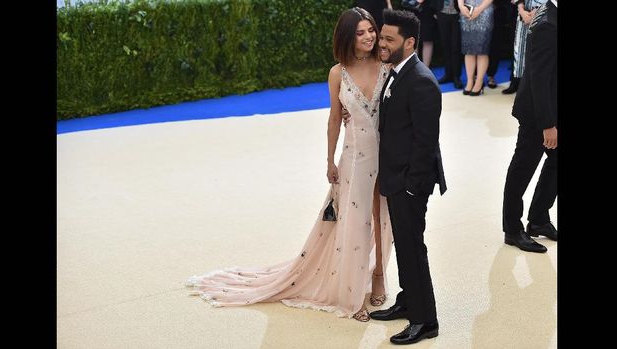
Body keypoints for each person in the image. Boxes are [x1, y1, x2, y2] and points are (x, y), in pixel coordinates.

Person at [187, 7, 395, 322]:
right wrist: (329, 160)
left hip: (389, 155)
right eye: (360, 32)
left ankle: (379, 277)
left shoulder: (386, 65)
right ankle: (352, 296)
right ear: (346, 38)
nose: (369, 37)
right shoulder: (337, 73)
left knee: (383, 219)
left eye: (371, 30)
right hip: (355, 158)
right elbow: (334, 120)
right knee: (354, 224)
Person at [369, 9, 447, 345]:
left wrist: (413, 188)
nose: (381, 44)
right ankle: (407, 299)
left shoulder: (421, 82)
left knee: (413, 247)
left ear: (410, 42)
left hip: (410, 183)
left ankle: (425, 320)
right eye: (381, 37)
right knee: (403, 243)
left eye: (388, 39)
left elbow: (425, 143)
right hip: (396, 178)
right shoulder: (397, 71)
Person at [502, 0, 557, 253]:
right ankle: (512, 228)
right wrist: (547, 124)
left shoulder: (548, 12)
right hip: (537, 111)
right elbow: (539, 76)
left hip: (550, 104)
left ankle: (538, 219)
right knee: (523, 166)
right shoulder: (547, 23)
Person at [501, 0, 547, 94]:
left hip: (545, 17)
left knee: (539, 52)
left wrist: (538, 12)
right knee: (519, 50)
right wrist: (521, 10)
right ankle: (516, 82)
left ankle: (534, 87)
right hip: (522, 15)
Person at [430, 0, 464, 89]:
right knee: (446, 46)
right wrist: (435, 10)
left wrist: (464, 9)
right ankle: (448, 74)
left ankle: (457, 77)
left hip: (458, 14)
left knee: (456, 47)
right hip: (442, 13)